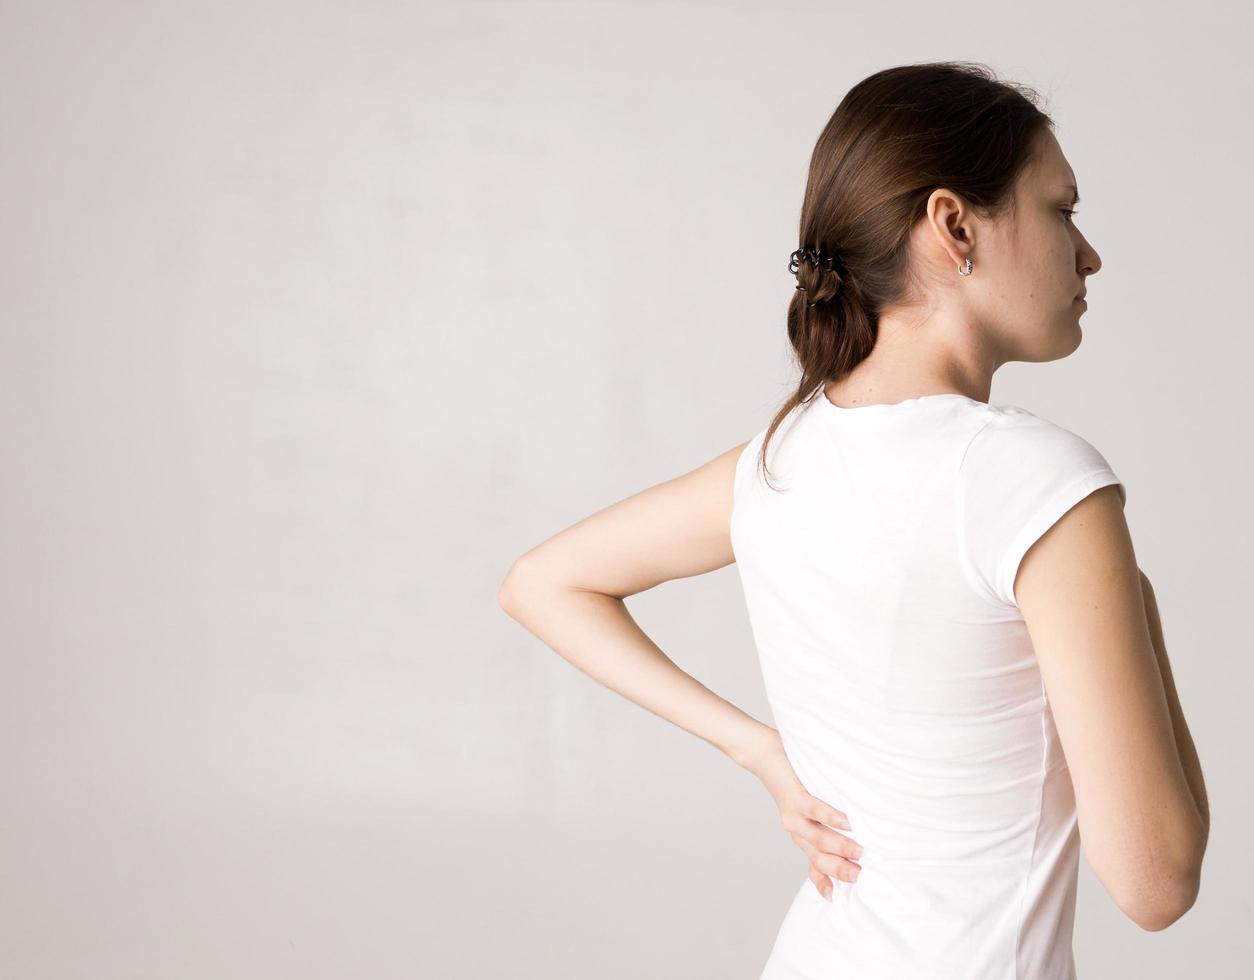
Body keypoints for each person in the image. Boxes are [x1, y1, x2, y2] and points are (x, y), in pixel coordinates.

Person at [499, 60, 1209, 980]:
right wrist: (1138, 612)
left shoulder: (780, 460)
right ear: (955, 225)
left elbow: (541, 581)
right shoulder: (1033, 483)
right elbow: (1156, 885)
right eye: (1062, 210)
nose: (1089, 253)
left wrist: (760, 754)